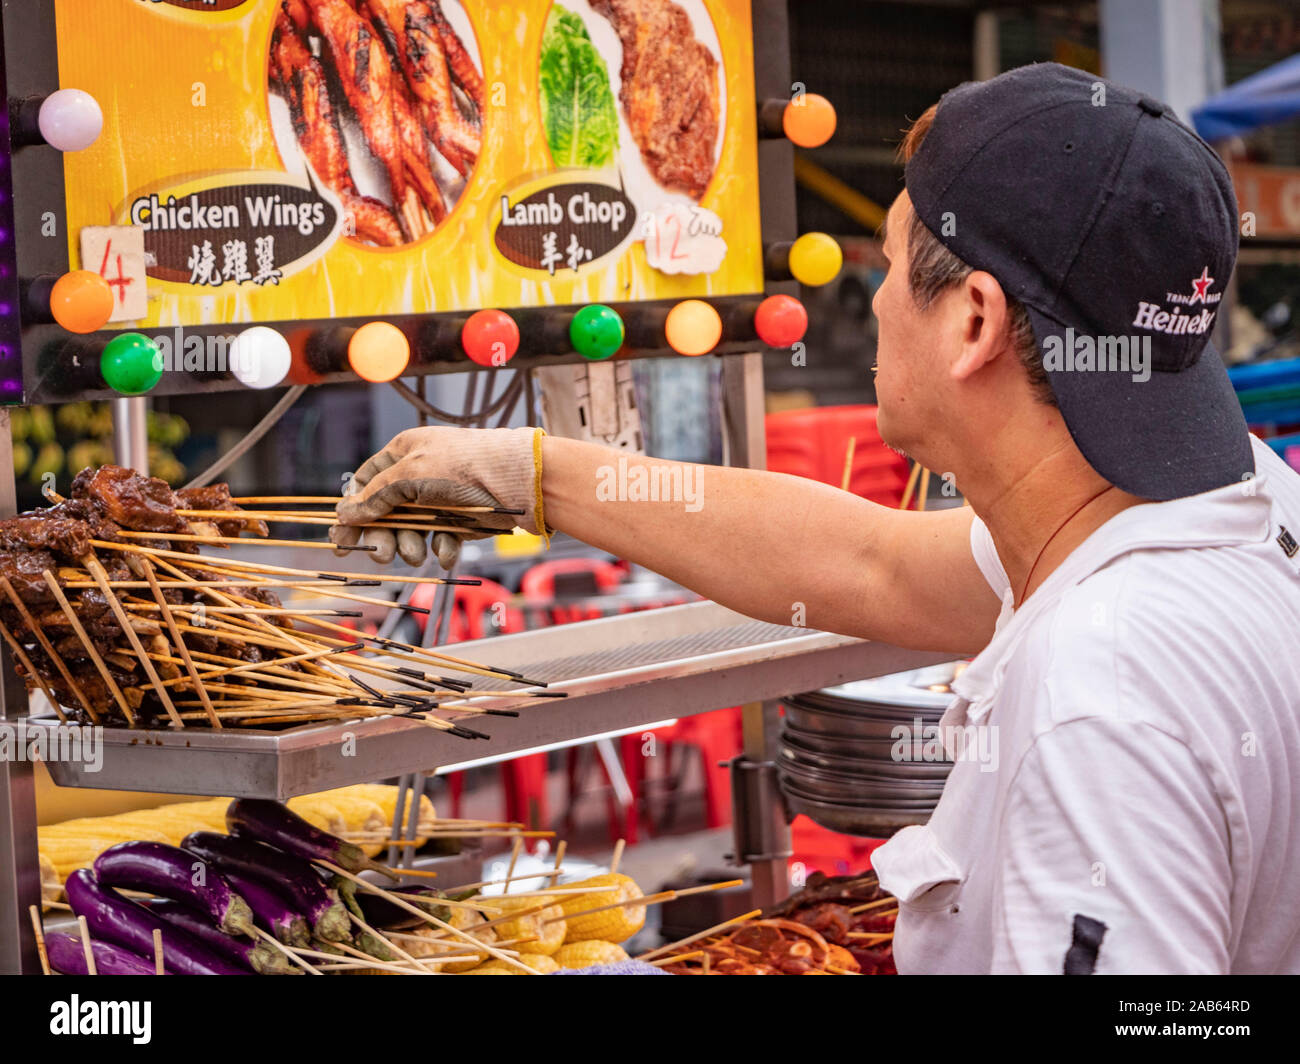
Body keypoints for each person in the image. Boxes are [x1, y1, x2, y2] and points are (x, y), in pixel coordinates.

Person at [331, 64, 1300, 974]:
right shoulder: (1220, 503)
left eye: (884, 261)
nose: (873, 300)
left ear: (972, 321)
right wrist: (528, 473)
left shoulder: (1097, 693)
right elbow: (869, 560)